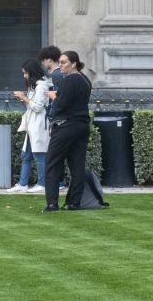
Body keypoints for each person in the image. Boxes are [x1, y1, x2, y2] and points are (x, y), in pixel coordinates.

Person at [43, 51, 108, 212]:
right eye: (60, 62)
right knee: (77, 165)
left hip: (66, 125)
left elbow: (61, 104)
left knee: (52, 163)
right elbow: (75, 100)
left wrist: (53, 96)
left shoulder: (68, 80)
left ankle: (52, 203)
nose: (60, 65)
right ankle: (74, 202)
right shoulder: (85, 80)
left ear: (73, 63)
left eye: (64, 62)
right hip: (82, 125)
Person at [10, 60, 53, 193]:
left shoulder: (41, 86)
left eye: (25, 73)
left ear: (32, 73)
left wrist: (24, 97)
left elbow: (38, 107)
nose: (24, 76)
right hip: (32, 125)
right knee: (26, 155)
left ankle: (42, 184)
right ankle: (23, 184)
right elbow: (31, 105)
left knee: (39, 154)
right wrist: (23, 98)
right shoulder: (34, 86)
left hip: (39, 124)